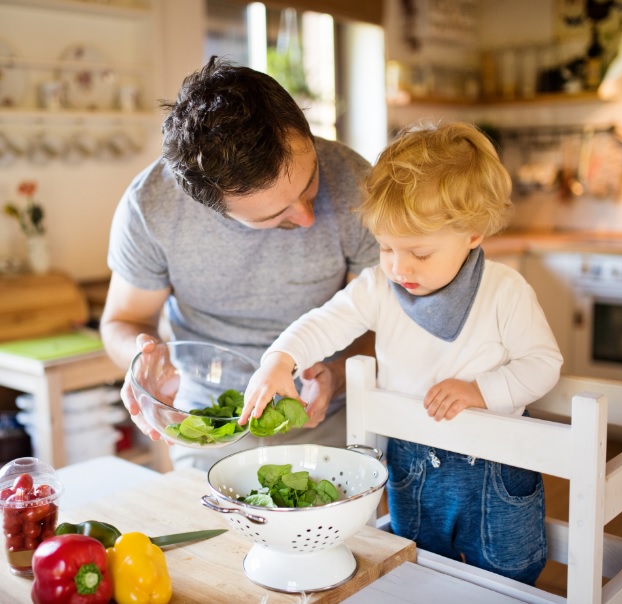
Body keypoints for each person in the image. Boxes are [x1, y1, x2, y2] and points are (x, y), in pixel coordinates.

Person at [240, 121, 564, 585]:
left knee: (508, 576)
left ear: (472, 233)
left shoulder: (505, 291)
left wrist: (481, 390)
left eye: (419, 252)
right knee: (420, 569)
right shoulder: (379, 287)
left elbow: (543, 364)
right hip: (412, 463)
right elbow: (325, 322)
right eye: (386, 246)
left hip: (494, 469)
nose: (398, 266)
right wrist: (281, 359)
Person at [99, 55, 378, 470]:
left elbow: (384, 316)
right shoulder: (151, 206)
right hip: (208, 425)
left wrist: (336, 375)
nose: (307, 217)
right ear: (210, 206)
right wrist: (144, 363)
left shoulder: (356, 183)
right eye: (273, 216)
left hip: (331, 418)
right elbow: (123, 320)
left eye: (310, 182)